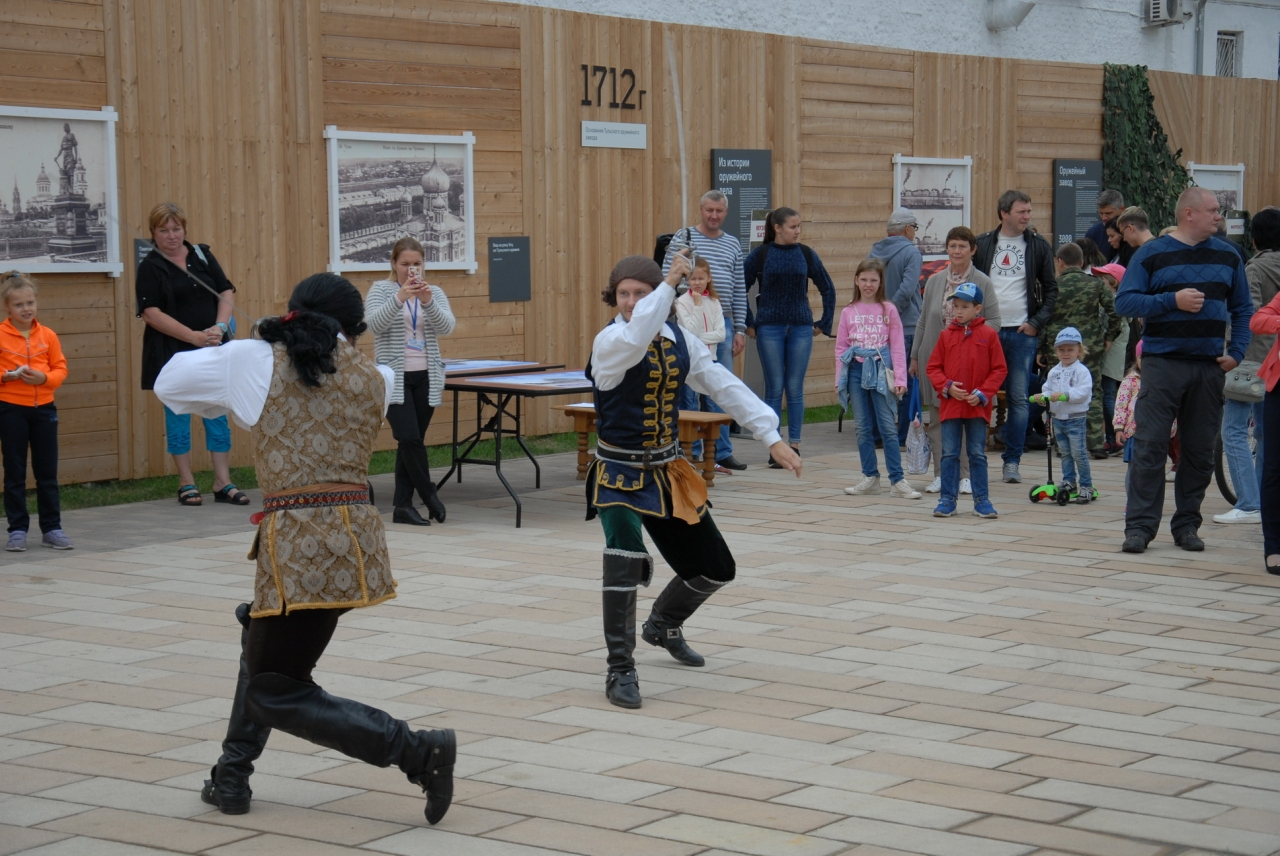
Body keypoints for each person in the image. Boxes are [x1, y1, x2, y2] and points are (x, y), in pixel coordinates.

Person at [154, 273, 457, 824]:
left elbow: (170, 383)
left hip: (297, 544)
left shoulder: (256, 360)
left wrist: (236, 354)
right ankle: (231, 776)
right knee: (264, 652)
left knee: (274, 689)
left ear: (292, 313)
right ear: (355, 327)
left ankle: (416, 750)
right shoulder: (379, 375)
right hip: (355, 543)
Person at [586, 254, 801, 709]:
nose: (631, 302)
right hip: (619, 473)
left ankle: (664, 622)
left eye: (640, 293)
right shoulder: (611, 341)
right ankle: (620, 668)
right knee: (624, 559)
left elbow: (722, 384)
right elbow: (636, 337)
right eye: (623, 293)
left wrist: (770, 436)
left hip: (668, 471)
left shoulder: (680, 338)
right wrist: (667, 283)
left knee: (716, 567)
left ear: (659, 299)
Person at [1114, 187, 1254, 554]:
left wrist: (1237, 352)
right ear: (1188, 213)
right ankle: (1139, 528)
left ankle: (1187, 525)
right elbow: (1124, 302)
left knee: (1199, 452)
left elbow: (1243, 309)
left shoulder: (1229, 255)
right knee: (1149, 446)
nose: (1219, 216)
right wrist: (1171, 301)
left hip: (1208, 367)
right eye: (1213, 210)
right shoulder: (1151, 253)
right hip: (1162, 364)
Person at [137, 203, 248, 507]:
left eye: (176, 229)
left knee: (217, 414)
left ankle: (223, 482)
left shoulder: (201, 255)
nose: (171, 236)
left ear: (184, 229)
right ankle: (186, 482)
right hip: (174, 354)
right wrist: (192, 337)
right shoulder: (150, 266)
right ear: (153, 233)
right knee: (178, 417)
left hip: (212, 348)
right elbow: (150, 313)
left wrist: (220, 326)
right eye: (163, 230)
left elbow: (225, 291)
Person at [366, 237, 454, 526]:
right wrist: (399, 298)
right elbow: (373, 325)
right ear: (394, 264)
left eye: (417, 263)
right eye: (405, 264)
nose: (411, 269)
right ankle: (429, 494)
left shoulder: (433, 292)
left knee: (412, 442)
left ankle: (402, 506)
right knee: (408, 438)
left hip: (426, 375)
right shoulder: (381, 290)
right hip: (394, 376)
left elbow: (446, 327)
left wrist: (427, 301)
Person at [974, 190, 1058, 485]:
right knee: (978, 393)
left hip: (1022, 334)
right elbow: (972, 286)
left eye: (1029, 211)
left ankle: (1012, 461)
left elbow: (1051, 290)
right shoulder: (984, 243)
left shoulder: (1038, 245)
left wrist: (1036, 323)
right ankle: (974, 459)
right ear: (1004, 213)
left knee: (1019, 398)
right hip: (987, 331)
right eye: (1021, 211)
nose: (1027, 216)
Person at [662, 190, 750, 471]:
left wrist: (740, 328)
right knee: (688, 388)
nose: (714, 216)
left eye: (719, 211)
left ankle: (721, 451)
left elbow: (739, 288)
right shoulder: (684, 237)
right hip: (687, 319)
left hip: (721, 320)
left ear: (726, 213)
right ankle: (692, 450)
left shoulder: (733, 244)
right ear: (701, 210)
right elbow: (667, 277)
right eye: (709, 210)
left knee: (719, 387)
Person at [912, 227, 1001, 494]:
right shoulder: (934, 281)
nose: (957, 251)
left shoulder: (983, 281)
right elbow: (923, 321)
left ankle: (966, 475)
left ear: (973, 250)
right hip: (937, 359)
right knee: (938, 420)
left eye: (962, 246)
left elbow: (995, 321)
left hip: (970, 363)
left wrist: (972, 336)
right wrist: (914, 355)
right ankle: (942, 474)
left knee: (966, 420)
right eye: (952, 246)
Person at [745, 207, 836, 463]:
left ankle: (794, 445)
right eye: (793, 227)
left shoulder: (805, 254)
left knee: (795, 388)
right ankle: (775, 447)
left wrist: (824, 322)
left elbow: (828, 288)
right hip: (769, 328)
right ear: (778, 228)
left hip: (800, 328)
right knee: (774, 388)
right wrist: (748, 322)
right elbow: (739, 287)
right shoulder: (761, 254)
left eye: (799, 226)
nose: (798, 231)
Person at [1216, 206, 1280, 525]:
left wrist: (1231, 347)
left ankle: (1249, 502)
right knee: (1266, 433)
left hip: (1252, 359)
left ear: (1253, 239)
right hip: (1274, 363)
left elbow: (1248, 316)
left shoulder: (1255, 268)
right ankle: (1264, 500)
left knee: (1233, 430)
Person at [837, 258, 921, 499]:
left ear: (881, 282)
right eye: (864, 279)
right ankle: (870, 477)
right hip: (856, 370)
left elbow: (897, 346)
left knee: (887, 425)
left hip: (881, 371)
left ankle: (897, 479)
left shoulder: (889, 309)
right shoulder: (848, 311)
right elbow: (841, 348)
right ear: (856, 280)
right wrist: (839, 380)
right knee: (862, 426)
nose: (868, 284)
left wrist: (901, 378)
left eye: (873, 280)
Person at [0, 272, 71, 552]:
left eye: (30, 302)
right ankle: (17, 530)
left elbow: (60, 369)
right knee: (14, 472)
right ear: (7, 307)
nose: (26, 309)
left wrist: (44, 379)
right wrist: (7, 376)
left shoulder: (48, 335)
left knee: (47, 472)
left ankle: (52, 528)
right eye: (19, 305)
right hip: (11, 410)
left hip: (44, 410)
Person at [925, 282, 1008, 519]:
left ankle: (982, 501)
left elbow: (999, 369)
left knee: (977, 454)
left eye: (964, 307)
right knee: (949, 453)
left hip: (977, 407)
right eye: (956, 306)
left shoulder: (989, 335)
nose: (958, 311)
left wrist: (983, 394)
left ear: (978, 308)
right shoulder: (945, 335)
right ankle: (947, 500)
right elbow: (933, 367)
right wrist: (947, 387)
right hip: (951, 406)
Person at [1040, 242, 1121, 459]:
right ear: (1082, 262)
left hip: (1058, 347)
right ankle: (1096, 443)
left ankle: (1062, 444)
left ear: (1060, 262)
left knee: (1058, 391)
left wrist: (1041, 347)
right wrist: (1109, 337)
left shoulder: (1054, 286)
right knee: (1092, 390)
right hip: (1089, 345)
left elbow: (1044, 317)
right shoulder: (1096, 284)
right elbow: (1115, 311)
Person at [869, 207, 924, 447]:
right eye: (915, 228)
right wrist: (891, 313)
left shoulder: (874, 252)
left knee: (879, 381)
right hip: (907, 326)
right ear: (908, 229)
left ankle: (876, 435)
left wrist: (880, 314)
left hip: (878, 328)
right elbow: (908, 288)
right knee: (906, 382)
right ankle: (902, 437)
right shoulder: (911, 252)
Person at [1031, 327, 1095, 504]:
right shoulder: (1054, 372)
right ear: (1056, 351)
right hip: (1058, 419)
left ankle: (1086, 486)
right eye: (1061, 350)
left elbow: (1083, 392)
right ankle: (1069, 481)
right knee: (1065, 452)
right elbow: (1048, 390)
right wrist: (1042, 397)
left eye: (1070, 350)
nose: (1065, 353)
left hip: (1075, 418)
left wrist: (1066, 395)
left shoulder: (1081, 371)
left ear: (1079, 350)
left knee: (1078, 453)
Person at [674, 258, 727, 468]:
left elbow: (721, 334)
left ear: (708, 278)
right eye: (693, 279)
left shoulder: (714, 302)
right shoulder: (681, 302)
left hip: (709, 359)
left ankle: (713, 455)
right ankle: (692, 453)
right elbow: (690, 331)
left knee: (711, 405)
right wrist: (696, 305)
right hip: (690, 361)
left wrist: (698, 337)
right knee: (690, 404)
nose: (696, 283)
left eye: (700, 278)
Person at [1092, 262, 1129, 455]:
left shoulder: (1114, 302)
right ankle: (1111, 438)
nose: (1099, 282)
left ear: (1113, 283)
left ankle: (1115, 438)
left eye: (1103, 279)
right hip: (1114, 353)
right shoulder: (1117, 301)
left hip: (1110, 353)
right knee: (1108, 393)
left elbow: (1108, 327)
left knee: (1107, 394)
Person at [1084, 189, 1125, 262]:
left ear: (1122, 209)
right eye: (1101, 213)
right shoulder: (1093, 233)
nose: (1104, 218)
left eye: (1108, 213)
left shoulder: (1132, 231)